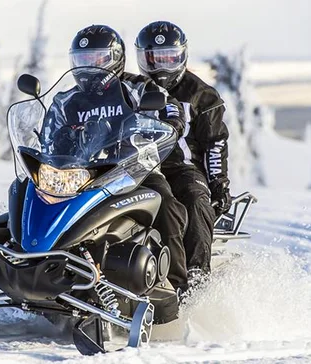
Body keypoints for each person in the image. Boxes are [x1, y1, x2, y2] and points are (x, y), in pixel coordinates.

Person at [43, 24, 191, 296]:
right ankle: (21, 266)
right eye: (83, 60)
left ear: (115, 59)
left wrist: (169, 123)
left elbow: (171, 108)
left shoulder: (137, 87)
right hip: (80, 176)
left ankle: (178, 287)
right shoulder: (67, 101)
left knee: (166, 205)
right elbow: (49, 136)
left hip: (134, 171)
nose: (89, 67)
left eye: (97, 59)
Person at [134, 21, 232, 291]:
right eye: (155, 59)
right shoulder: (133, 89)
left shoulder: (202, 95)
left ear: (182, 56)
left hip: (183, 168)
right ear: (143, 59)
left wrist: (219, 183)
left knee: (195, 201)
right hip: (138, 166)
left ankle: (196, 280)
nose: (162, 67)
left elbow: (215, 143)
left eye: (169, 58)